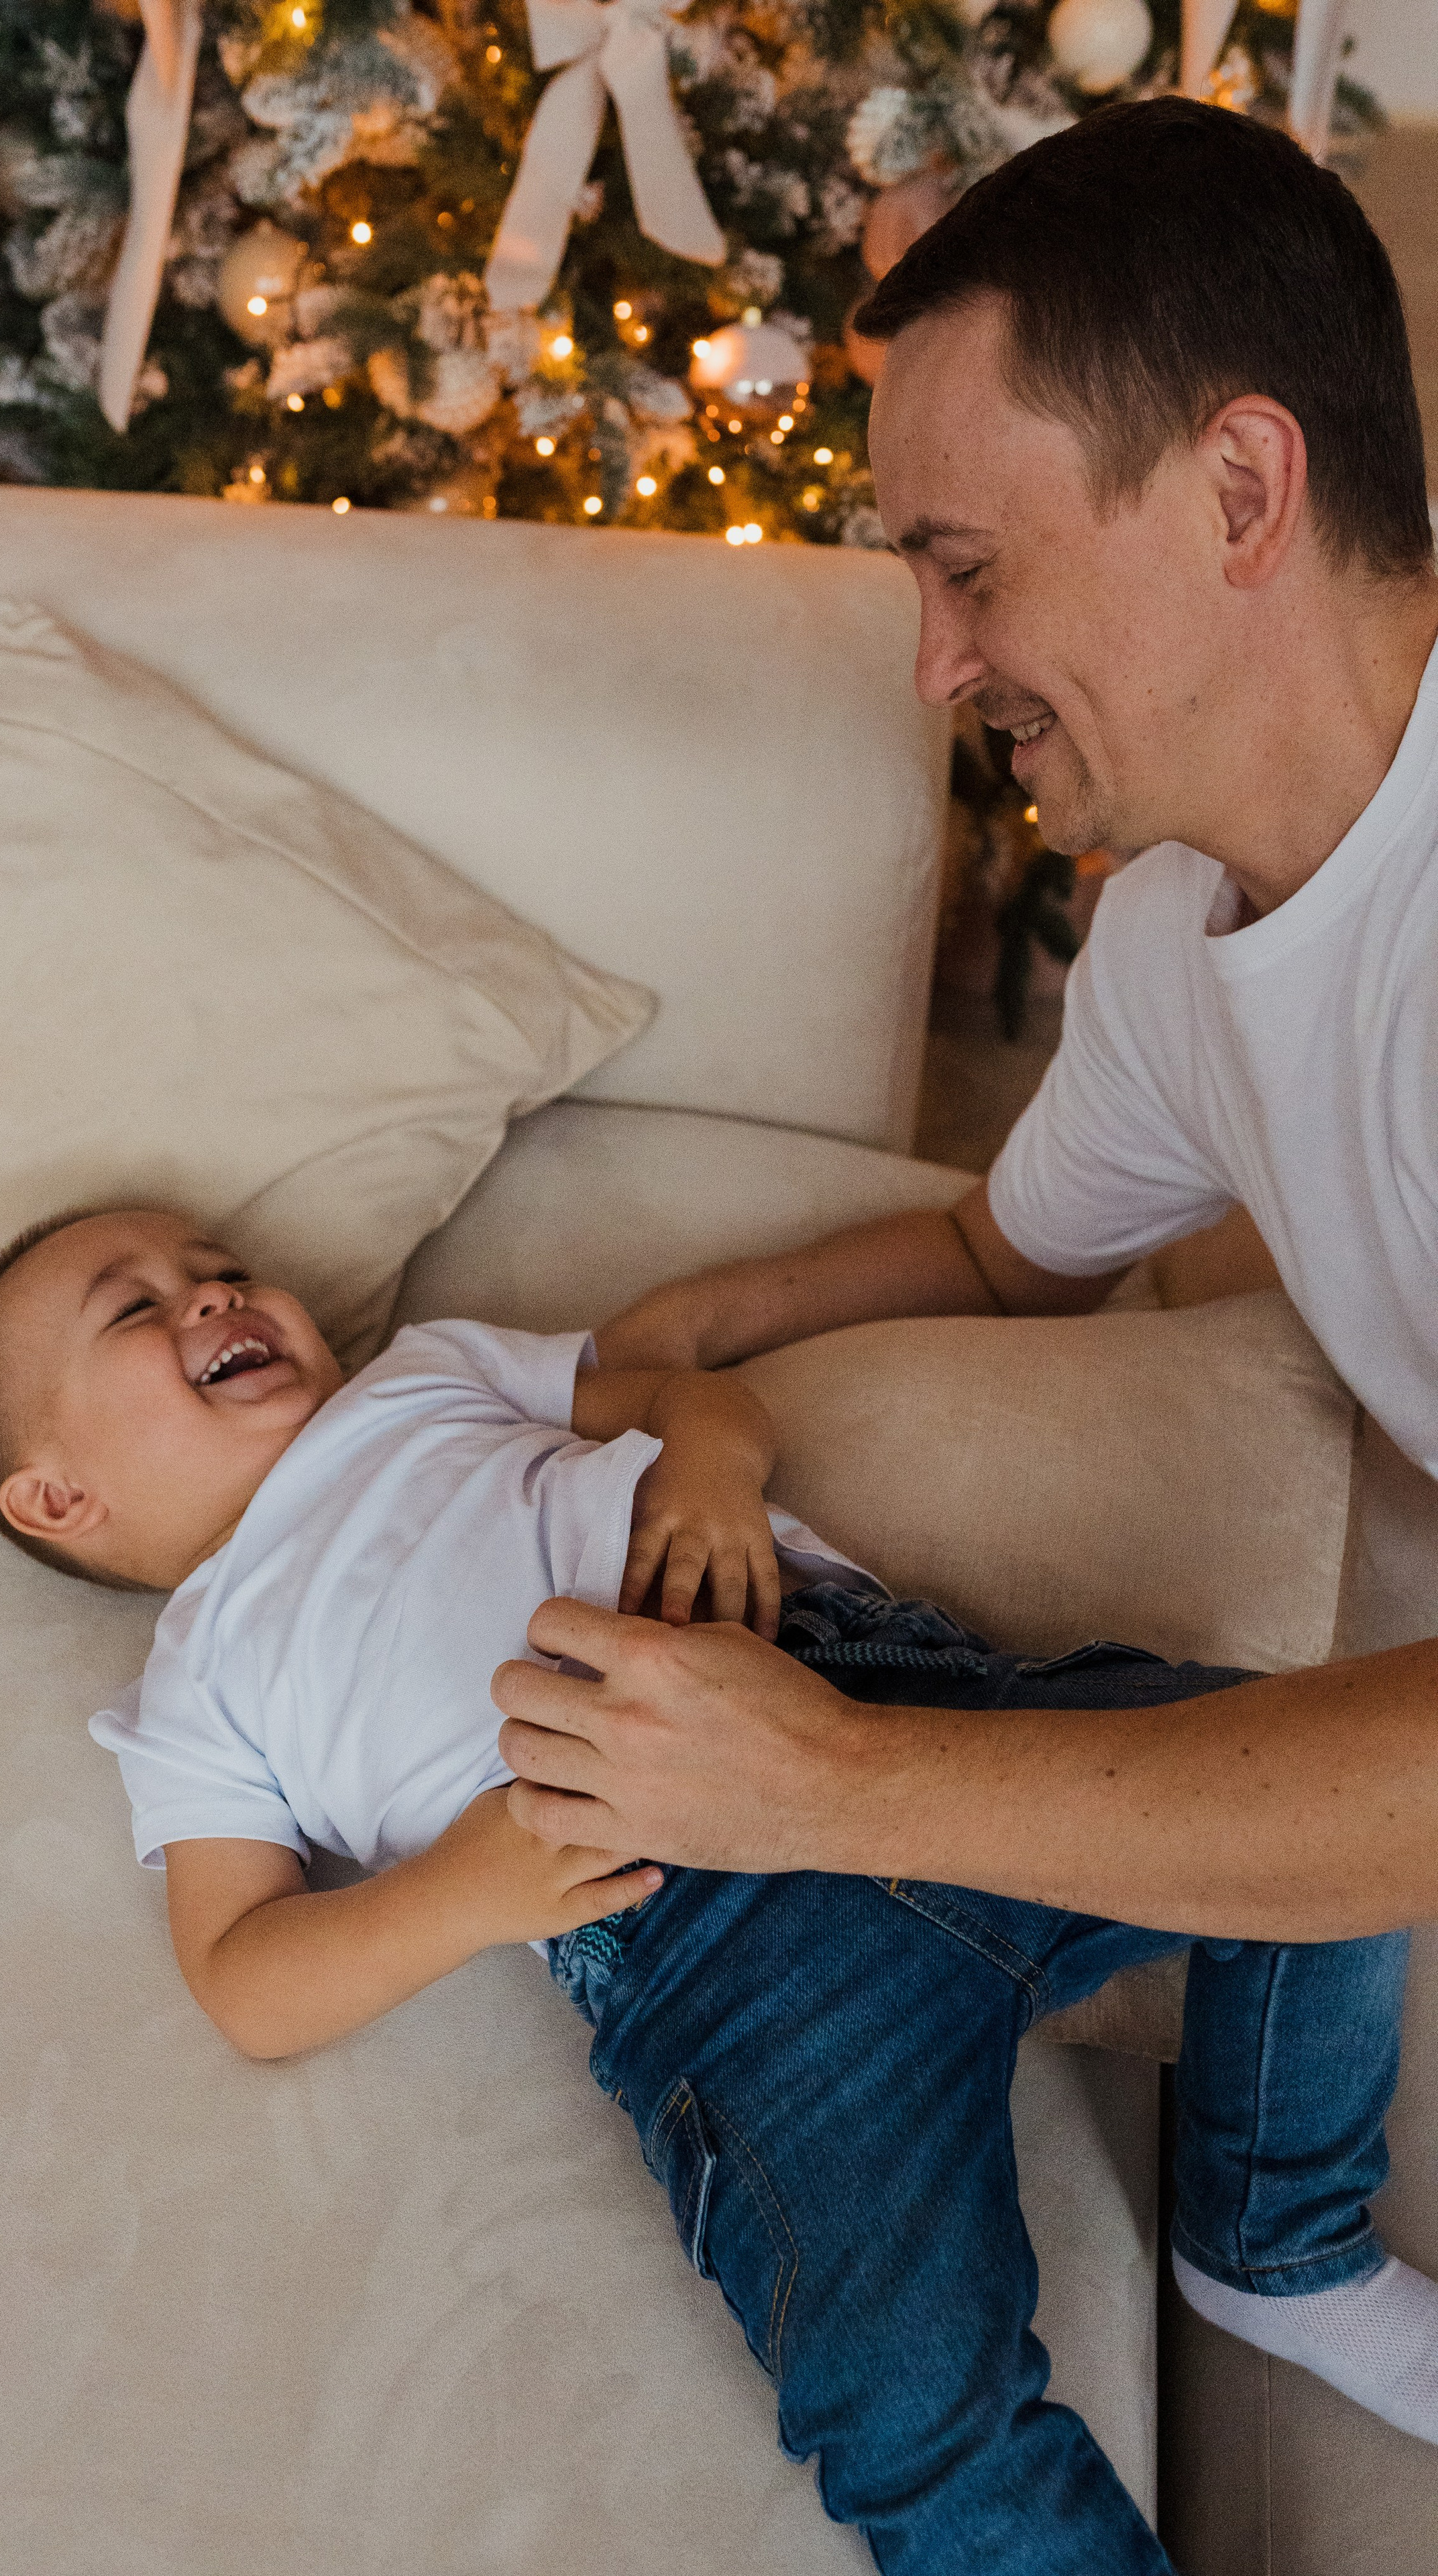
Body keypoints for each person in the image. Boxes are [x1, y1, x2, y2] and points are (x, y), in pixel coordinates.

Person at [0, 1205, 1436, 2576]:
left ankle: (1275, 2242)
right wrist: (459, 1892)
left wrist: (710, 1468)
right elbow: (248, 1980)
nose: (211, 1291)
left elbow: (680, 1389)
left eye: (214, 1262)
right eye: (134, 1308)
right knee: (909, 2409)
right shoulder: (199, 1686)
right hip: (707, 1952)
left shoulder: (423, 1376)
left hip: (903, 1703)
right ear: (58, 1498)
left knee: (1304, 1815)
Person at [492, 98, 1438, 1947]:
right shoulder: (1178, 929)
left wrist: (828, 1787)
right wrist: (655, 1342)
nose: (934, 665)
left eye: (971, 567)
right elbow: (998, 1262)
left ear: (1242, 491)